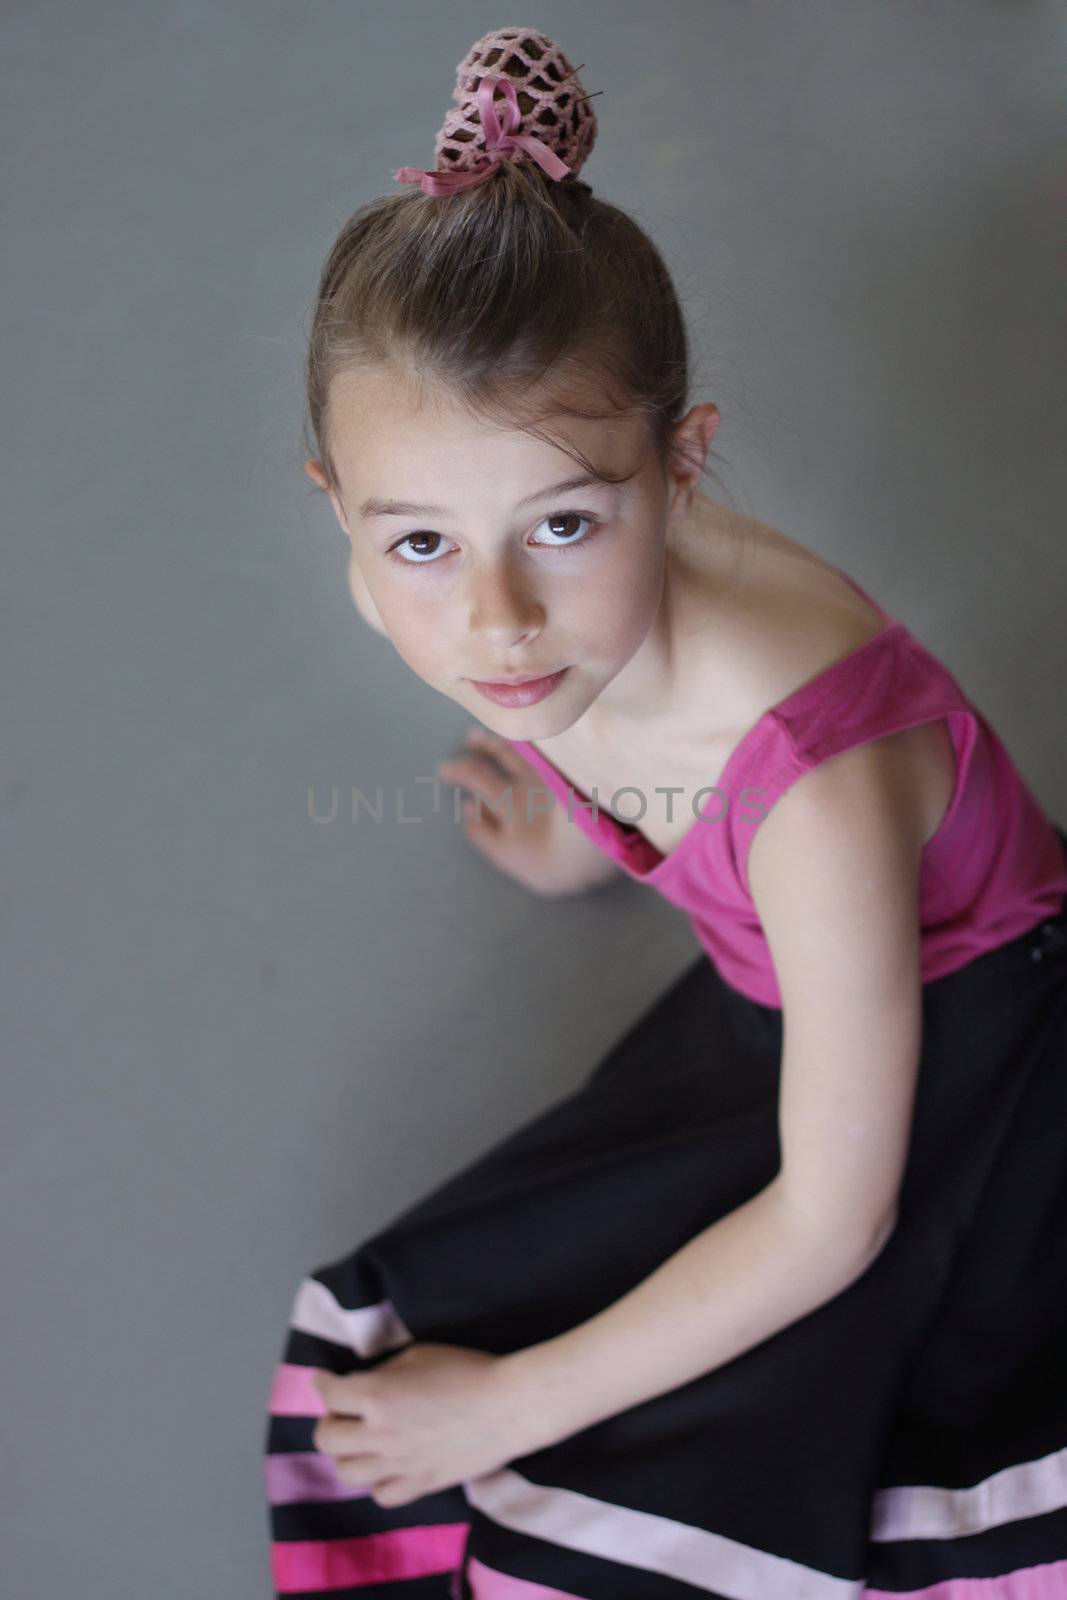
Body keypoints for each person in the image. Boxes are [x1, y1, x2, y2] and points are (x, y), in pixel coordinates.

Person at [263, 27, 1067, 1599]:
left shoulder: (815, 788)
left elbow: (834, 1221)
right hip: (781, 976)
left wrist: (505, 1403)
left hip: (969, 1055)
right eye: (418, 541)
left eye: (563, 522)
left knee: (668, 1506)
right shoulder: (486, 610)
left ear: (680, 468)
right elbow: (558, 683)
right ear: (342, 516)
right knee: (400, 1327)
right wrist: (586, 834)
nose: (495, 622)